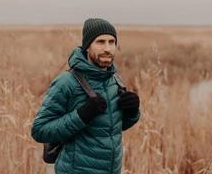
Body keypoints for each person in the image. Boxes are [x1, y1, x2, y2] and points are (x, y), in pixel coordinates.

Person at [31, 18, 140, 174]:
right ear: (87, 46)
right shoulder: (66, 82)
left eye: (112, 42)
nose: (107, 48)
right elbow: (39, 130)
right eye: (100, 42)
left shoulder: (114, 79)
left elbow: (109, 128)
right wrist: (81, 115)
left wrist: (132, 112)